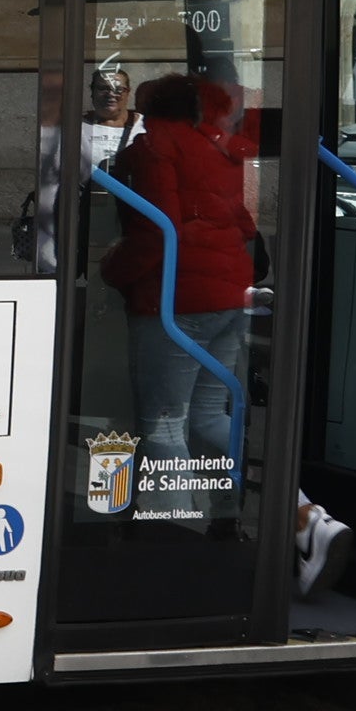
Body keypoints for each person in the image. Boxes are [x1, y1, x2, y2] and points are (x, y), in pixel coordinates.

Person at [100, 73, 258, 517]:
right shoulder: (215, 148)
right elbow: (242, 223)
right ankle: (259, 510)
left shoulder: (154, 151)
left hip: (177, 300)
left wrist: (112, 271)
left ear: (148, 113)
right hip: (229, 296)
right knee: (209, 415)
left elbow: (157, 230)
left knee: (165, 425)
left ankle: (174, 526)